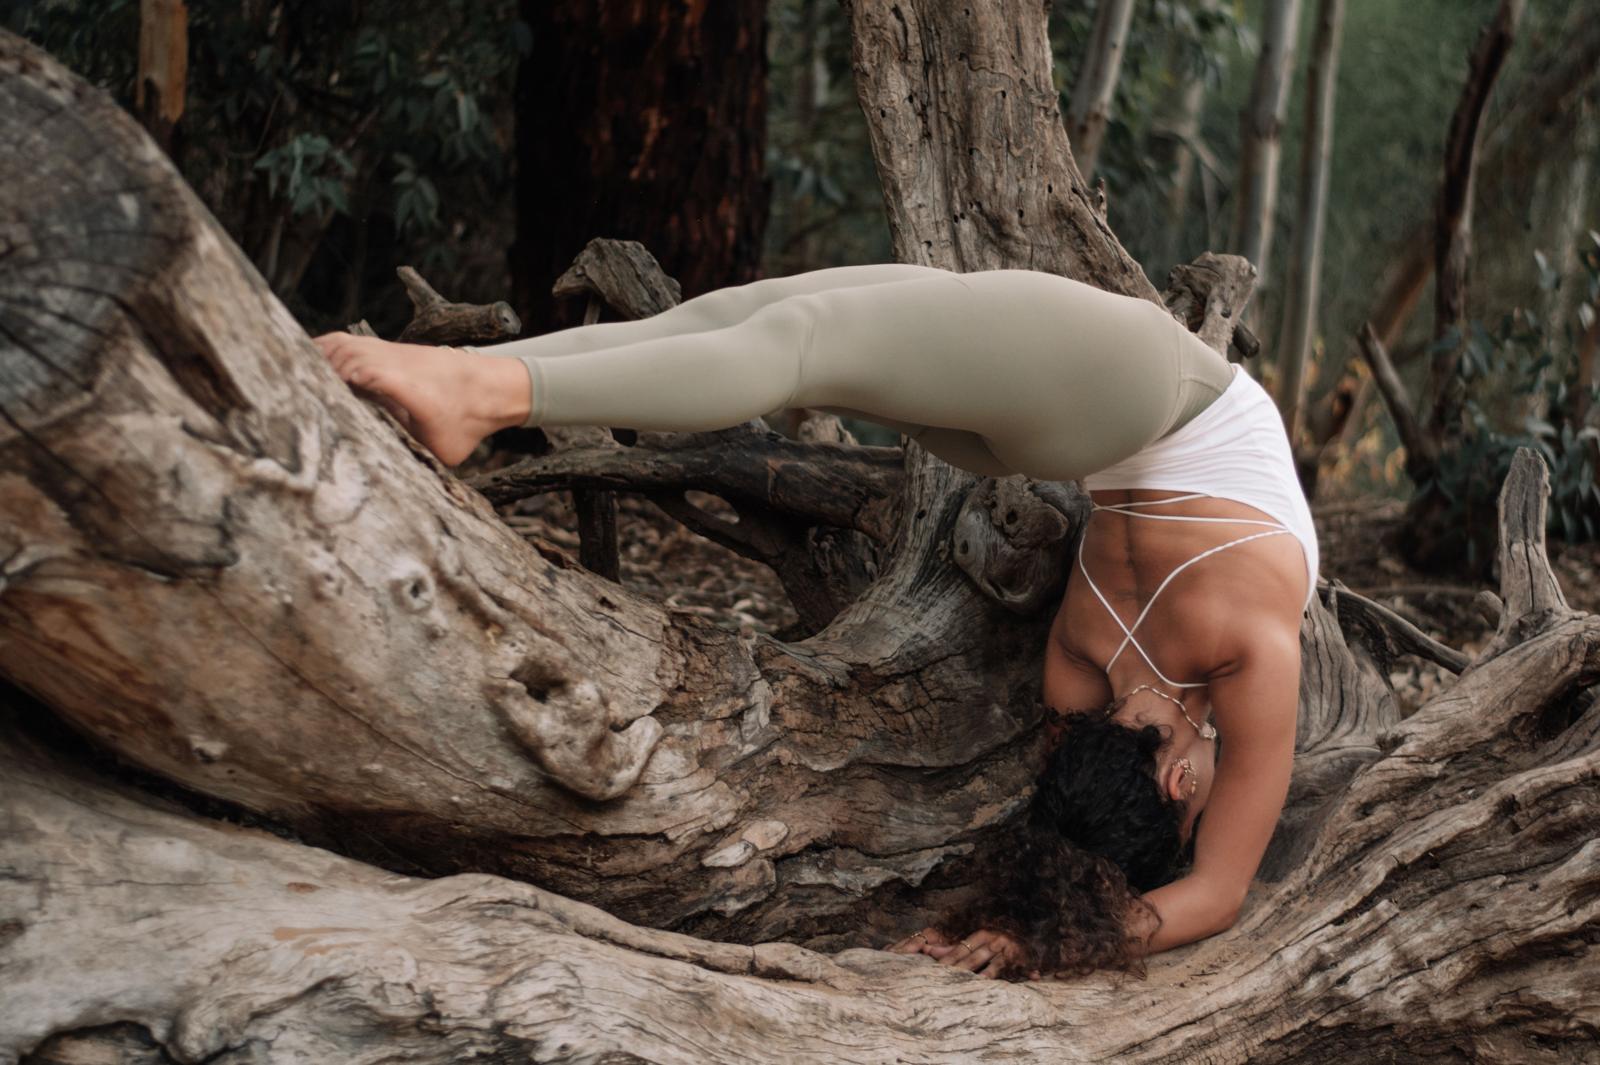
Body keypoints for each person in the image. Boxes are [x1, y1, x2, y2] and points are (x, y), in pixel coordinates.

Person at [314, 263, 1316, 980]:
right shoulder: (1078, 677)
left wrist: (1044, 920)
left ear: (1184, 776)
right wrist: (1034, 931)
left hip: (1135, 393)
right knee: (760, 318)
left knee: (791, 333)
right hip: (1077, 428)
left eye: (1200, 793)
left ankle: (477, 391)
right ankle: (456, 378)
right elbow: (1208, 887)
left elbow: (1213, 886)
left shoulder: (1238, 647)